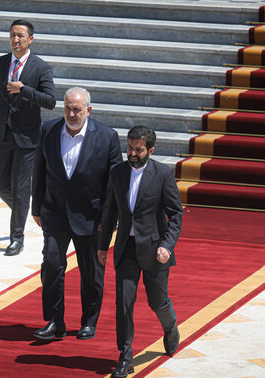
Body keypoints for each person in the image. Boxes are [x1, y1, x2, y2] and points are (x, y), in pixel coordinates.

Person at [31, 87, 122, 340]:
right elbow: (39, 171)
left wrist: (109, 218)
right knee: (51, 265)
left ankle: (89, 321)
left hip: (91, 217)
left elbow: (114, 183)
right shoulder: (48, 130)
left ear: (88, 110)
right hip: (55, 213)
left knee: (91, 272)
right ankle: (54, 321)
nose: (71, 114)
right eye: (67, 108)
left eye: (77, 109)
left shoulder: (107, 136)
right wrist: (36, 207)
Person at [98, 125, 183, 378]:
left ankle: (170, 328)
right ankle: (125, 358)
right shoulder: (117, 172)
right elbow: (111, 211)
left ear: (150, 150)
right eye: (130, 148)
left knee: (157, 301)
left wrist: (167, 246)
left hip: (155, 249)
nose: (133, 154)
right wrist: (103, 245)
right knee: (123, 304)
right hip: (126, 248)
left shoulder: (163, 174)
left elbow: (175, 214)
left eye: (138, 150)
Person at [0, 19, 56, 256]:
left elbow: (50, 101)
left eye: (20, 35)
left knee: (20, 189)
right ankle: (22, 209)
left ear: (30, 39)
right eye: (12, 35)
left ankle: (16, 238)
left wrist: (24, 90)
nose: (15, 39)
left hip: (27, 137)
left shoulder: (41, 68)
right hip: (3, 133)